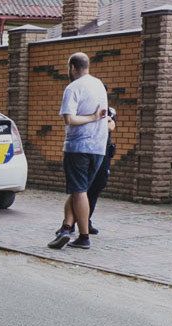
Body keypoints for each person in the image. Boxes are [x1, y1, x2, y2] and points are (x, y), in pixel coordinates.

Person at [48, 52, 107, 250]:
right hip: (99, 147)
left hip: (78, 146)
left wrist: (90, 117)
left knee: (79, 191)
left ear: (73, 67)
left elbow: (69, 119)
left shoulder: (73, 88)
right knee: (78, 190)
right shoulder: (99, 85)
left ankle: (83, 237)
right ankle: (66, 228)